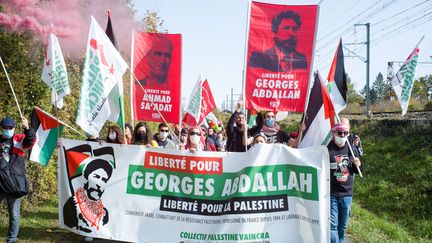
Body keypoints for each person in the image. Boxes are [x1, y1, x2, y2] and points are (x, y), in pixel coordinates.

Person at [0, 117, 35, 243]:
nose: (8, 130)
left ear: (14, 128)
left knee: (14, 214)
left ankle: (11, 239)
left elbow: (30, 140)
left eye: (10, 128)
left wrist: (27, 128)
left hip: (13, 183)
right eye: (5, 128)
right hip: (0, 183)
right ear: (1, 128)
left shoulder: (18, 139)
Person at [328, 122, 362, 243]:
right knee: (332, 226)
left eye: (345, 133)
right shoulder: (327, 149)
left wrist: (358, 164)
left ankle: (340, 240)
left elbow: (358, 171)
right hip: (332, 194)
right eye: (339, 133)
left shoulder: (351, 150)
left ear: (348, 134)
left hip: (347, 194)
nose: (342, 135)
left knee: (343, 226)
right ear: (334, 133)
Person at [63, 158, 113, 233]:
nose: (99, 183)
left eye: (104, 180)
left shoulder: (104, 214)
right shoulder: (72, 205)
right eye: (96, 177)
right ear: (86, 178)